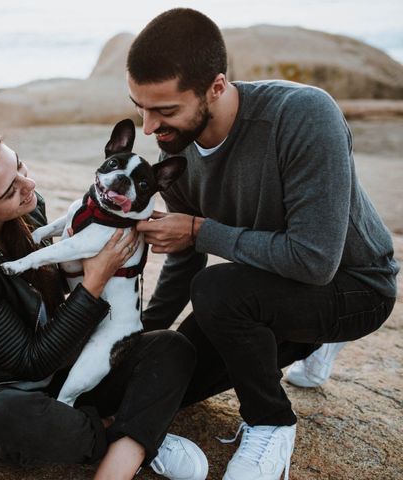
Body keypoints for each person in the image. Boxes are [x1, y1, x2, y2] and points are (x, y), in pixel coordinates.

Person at [127, 8, 399, 480]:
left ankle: (271, 422)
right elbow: (183, 264)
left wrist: (197, 229)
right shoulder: (177, 148)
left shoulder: (304, 115)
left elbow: (314, 262)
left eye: (165, 110)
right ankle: (302, 341)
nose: (149, 127)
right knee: (164, 375)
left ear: (216, 86)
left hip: (352, 284)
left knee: (219, 290)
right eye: (140, 108)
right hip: (263, 287)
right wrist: (142, 340)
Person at [0, 131, 210, 480]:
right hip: (2, 390)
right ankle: (131, 440)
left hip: (67, 364)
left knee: (171, 347)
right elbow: (31, 361)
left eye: (21, 166)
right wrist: (95, 279)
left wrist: (130, 225)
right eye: (11, 189)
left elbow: (60, 282)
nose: (29, 184)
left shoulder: (29, 210)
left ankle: (121, 437)